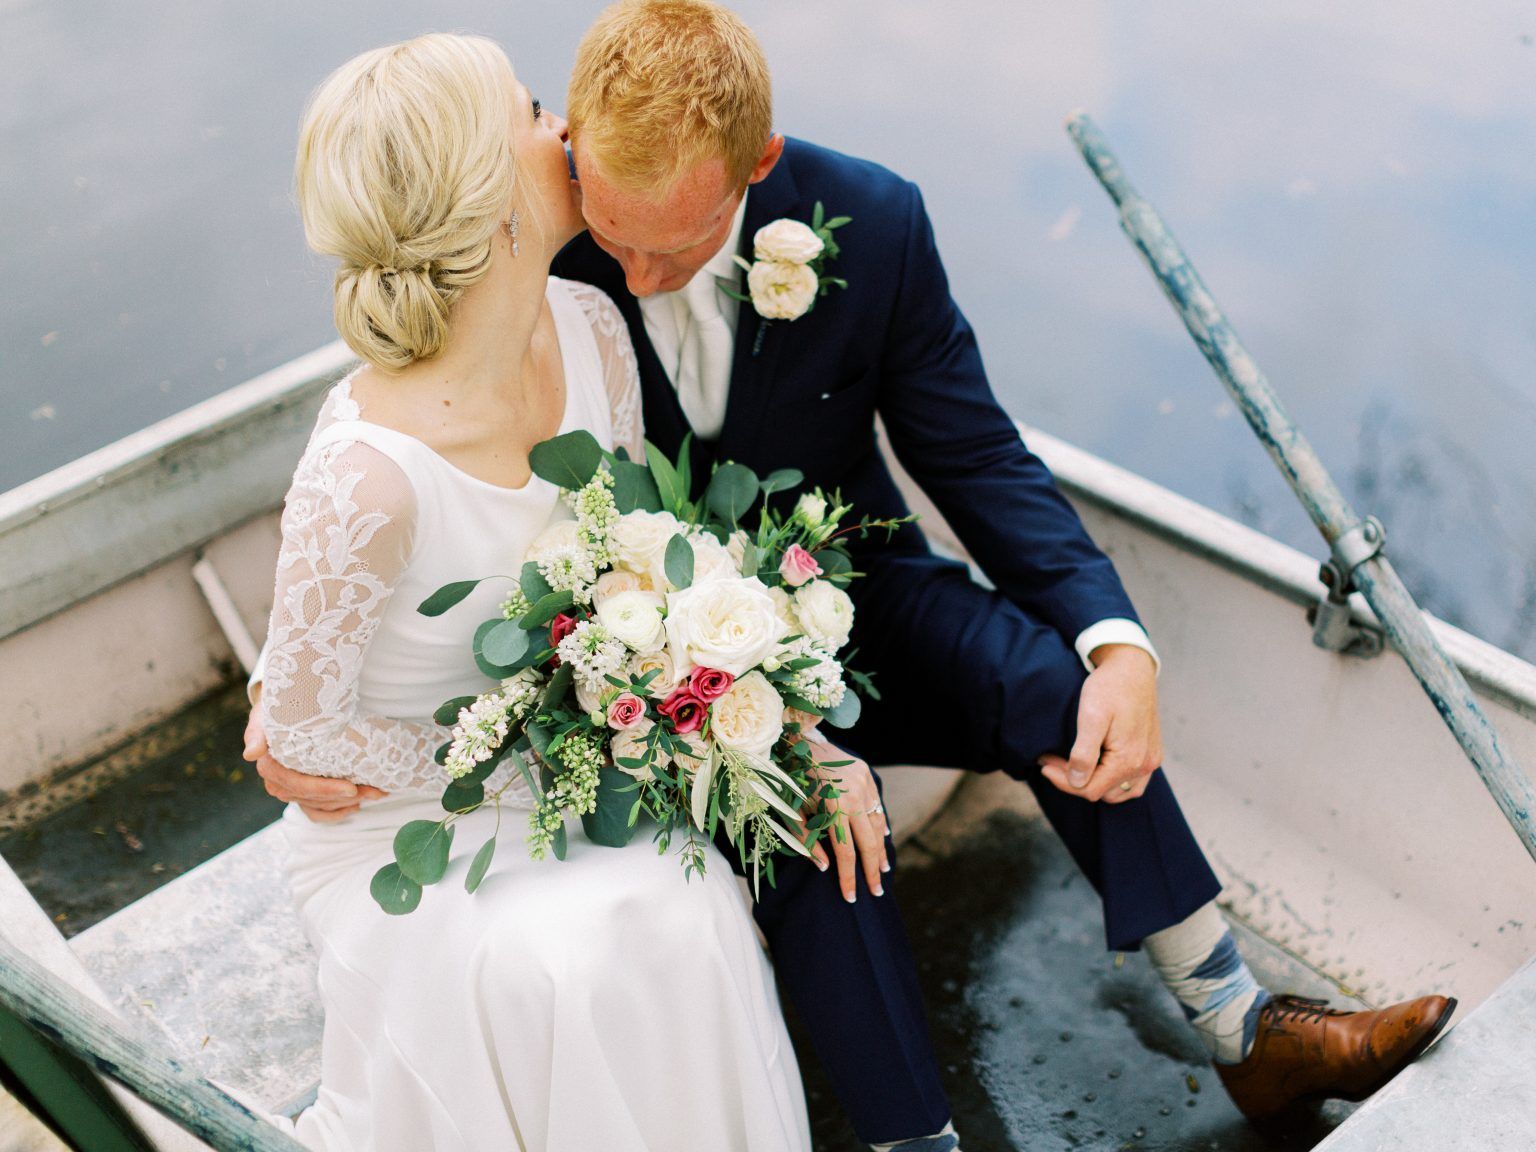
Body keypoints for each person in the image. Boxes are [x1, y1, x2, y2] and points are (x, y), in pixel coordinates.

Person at [247, 5, 1457, 1149]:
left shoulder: (867, 222)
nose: (638, 273)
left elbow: (973, 452)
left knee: (1053, 685)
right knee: (817, 833)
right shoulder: (561, 256)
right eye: (613, 242)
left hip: (847, 588)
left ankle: (1243, 1027)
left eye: (669, 248)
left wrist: (1116, 639)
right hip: (644, 660)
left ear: (756, 163)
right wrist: (746, 721)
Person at [255, 32, 810, 1151]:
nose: (558, 121)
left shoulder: (595, 329)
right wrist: (523, 754)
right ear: (492, 197)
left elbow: (630, 558)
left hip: (575, 762)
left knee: (687, 910)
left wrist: (647, 688)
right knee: (553, 966)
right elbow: (302, 735)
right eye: (525, 110)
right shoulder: (366, 473)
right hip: (407, 823)